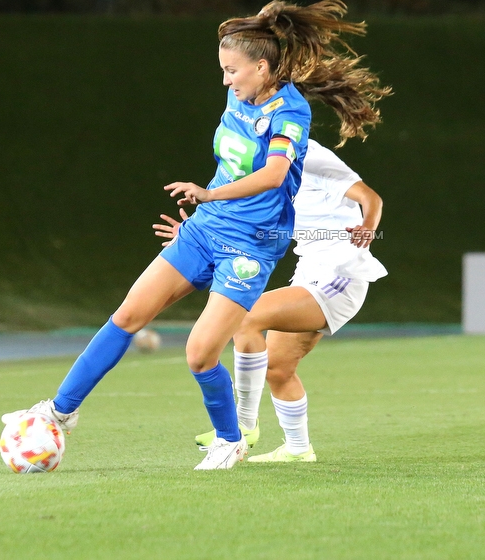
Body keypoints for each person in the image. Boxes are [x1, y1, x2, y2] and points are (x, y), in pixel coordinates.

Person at [2, 0, 390, 471]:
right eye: (223, 70)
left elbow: (272, 176)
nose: (225, 80)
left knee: (200, 354)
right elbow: (235, 153)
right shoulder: (241, 94)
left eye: (233, 70)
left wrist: (208, 194)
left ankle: (231, 440)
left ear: (262, 68)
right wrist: (203, 213)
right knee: (127, 315)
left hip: (250, 247)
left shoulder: (290, 114)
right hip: (206, 230)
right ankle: (60, 411)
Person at [155, 138, 387, 463]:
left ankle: (242, 427)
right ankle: (298, 449)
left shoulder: (312, 156)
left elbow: (370, 197)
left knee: (246, 316)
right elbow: (246, 221)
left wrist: (367, 229)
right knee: (278, 369)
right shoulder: (265, 167)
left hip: (341, 275)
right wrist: (194, 235)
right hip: (309, 273)